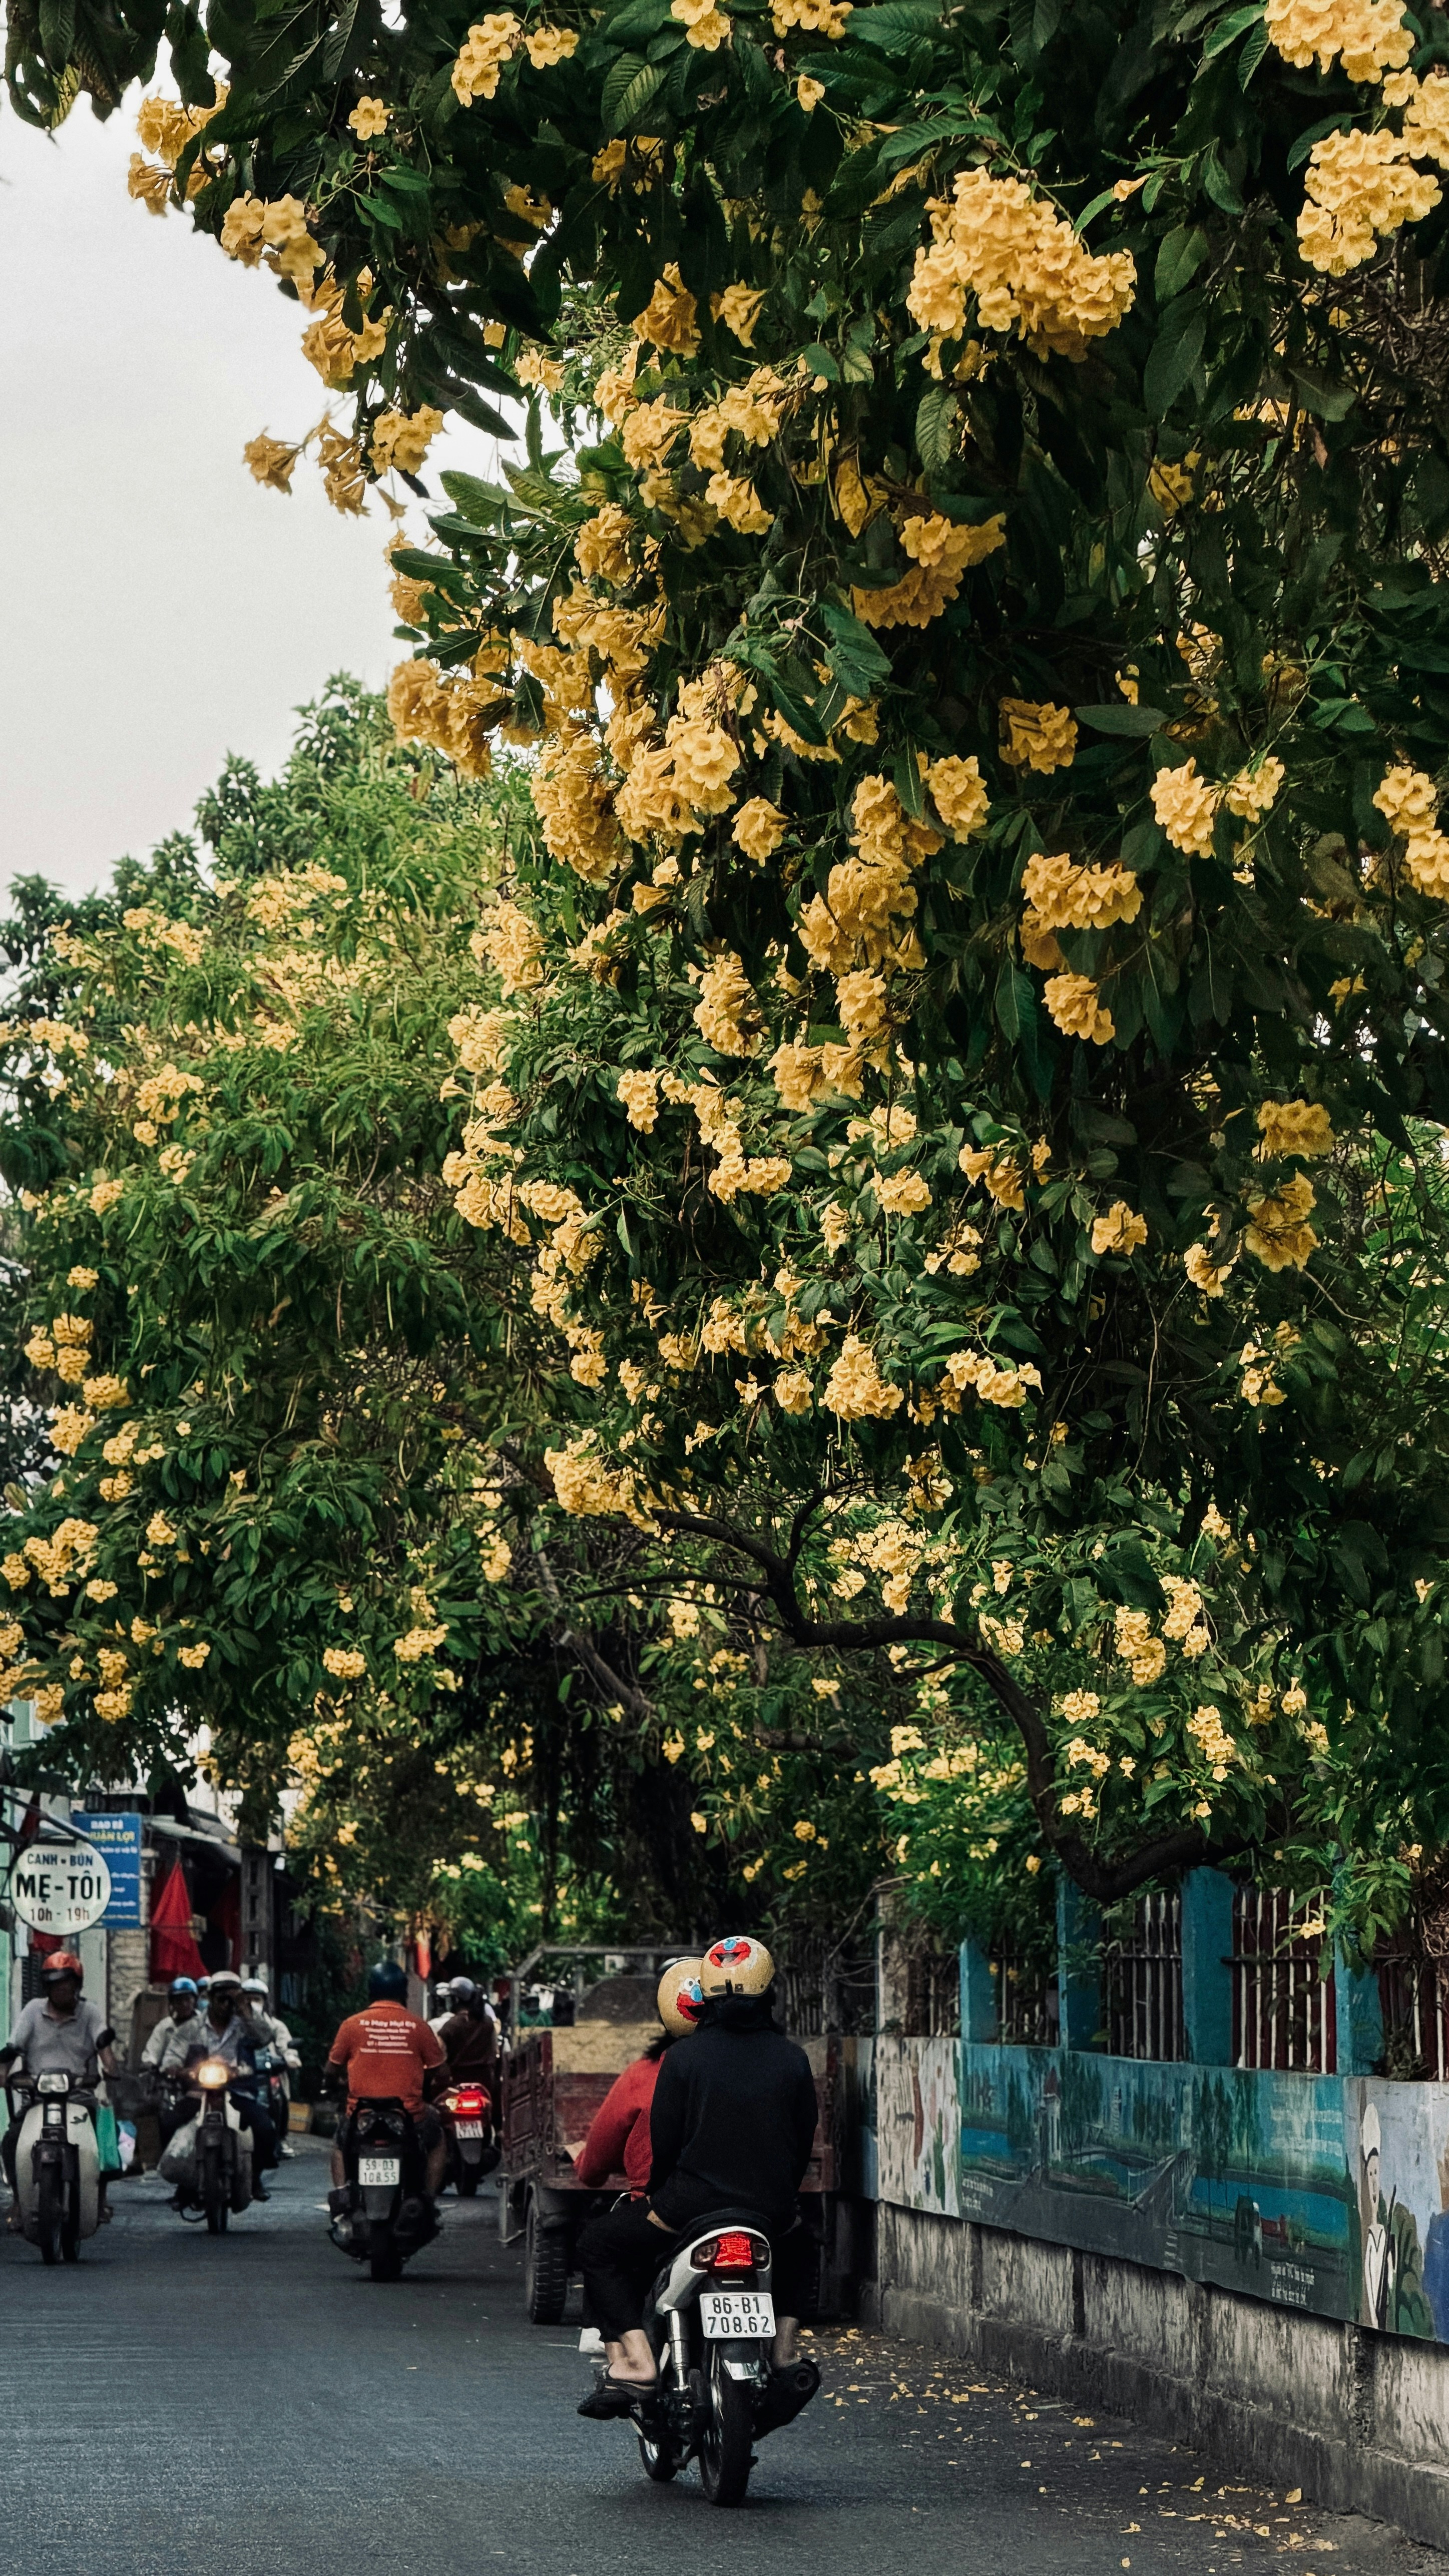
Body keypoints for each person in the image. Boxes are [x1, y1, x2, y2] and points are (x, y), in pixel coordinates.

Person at [576, 1936, 820, 2420]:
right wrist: (780, 2197)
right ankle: (784, 2351)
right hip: (768, 2210)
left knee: (597, 2244)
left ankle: (638, 2361)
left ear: (704, 1995)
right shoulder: (793, 2058)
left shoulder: (684, 2059)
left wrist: (661, 2197)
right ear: (770, 1990)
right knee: (805, 2245)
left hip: (687, 2205)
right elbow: (802, 2141)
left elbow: (665, 2143)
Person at [325, 1960, 449, 2218]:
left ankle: (342, 2194)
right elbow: (442, 2071)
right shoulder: (418, 2027)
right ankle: (427, 2200)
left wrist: (333, 2083)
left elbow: (331, 2070)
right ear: (403, 1993)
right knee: (438, 2141)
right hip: (410, 2118)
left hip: (361, 2117)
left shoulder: (351, 2025)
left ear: (370, 1991)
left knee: (339, 2144)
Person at [2, 1952, 119, 2224]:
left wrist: (111, 2068)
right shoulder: (33, 2010)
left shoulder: (90, 2012)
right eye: (55, 1985)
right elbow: (13, 2046)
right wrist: (4, 2072)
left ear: (77, 1985)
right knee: (12, 2141)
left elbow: (103, 2045)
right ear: (47, 1988)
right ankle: (19, 2202)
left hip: (79, 2097)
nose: (62, 1990)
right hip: (37, 2098)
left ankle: (99, 2200)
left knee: (101, 2140)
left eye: (67, 1984)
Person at [569, 1959, 702, 2195]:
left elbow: (598, 2156)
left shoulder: (644, 2074)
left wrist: (586, 2168)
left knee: (596, 2234)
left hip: (661, 2207)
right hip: (749, 2207)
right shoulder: (750, 2067)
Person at [183, 1967, 277, 2202]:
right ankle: (184, 2185)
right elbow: (174, 2052)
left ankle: (255, 2177)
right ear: (211, 1998)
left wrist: (245, 2011)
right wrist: (175, 2068)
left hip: (239, 2091)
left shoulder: (245, 2023)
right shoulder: (194, 2026)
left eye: (231, 1999)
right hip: (200, 2091)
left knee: (265, 2129)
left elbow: (265, 2038)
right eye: (221, 1998)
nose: (226, 2004)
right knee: (170, 2122)